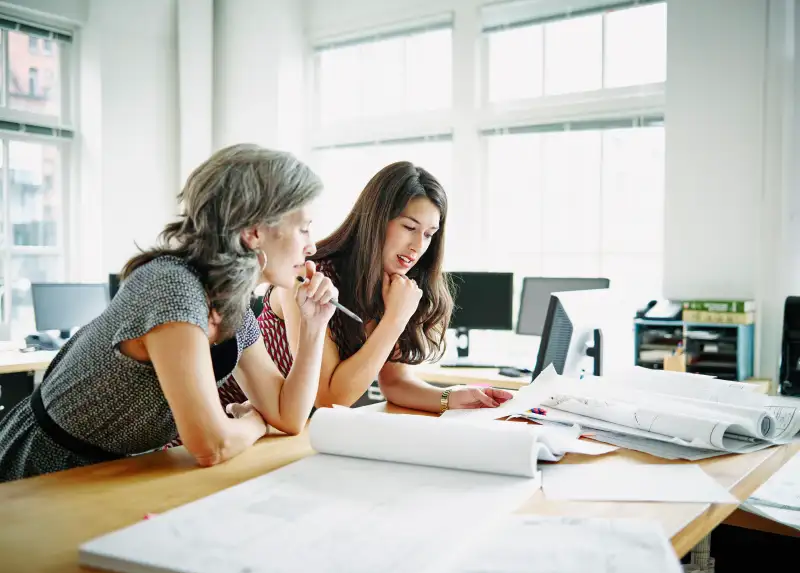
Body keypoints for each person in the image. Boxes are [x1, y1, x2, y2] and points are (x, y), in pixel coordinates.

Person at [0, 144, 338, 482]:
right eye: (303, 228)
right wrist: (252, 422)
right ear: (253, 232)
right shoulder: (173, 288)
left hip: (117, 471)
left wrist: (313, 327)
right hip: (39, 467)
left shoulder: (231, 306)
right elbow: (212, 445)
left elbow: (288, 415)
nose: (311, 246)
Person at [218, 161, 512, 414]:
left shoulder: (395, 286)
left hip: (289, 432)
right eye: (409, 228)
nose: (418, 246)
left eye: (429, 234)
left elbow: (396, 383)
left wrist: (452, 396)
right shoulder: (311, 278)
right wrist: (395, 319)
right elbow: (329, 398)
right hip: (232, 420)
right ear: (376, 220)